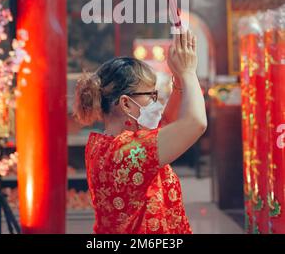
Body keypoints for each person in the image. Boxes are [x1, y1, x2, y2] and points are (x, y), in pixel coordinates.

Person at [74, 29, 207, 234]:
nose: (156, 102)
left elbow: (167, 123)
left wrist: (179, 80)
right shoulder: (128, 151)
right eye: (151, 95)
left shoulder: (105, 144)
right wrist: (189, 72)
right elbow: (195, 123)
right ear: (126, 104)